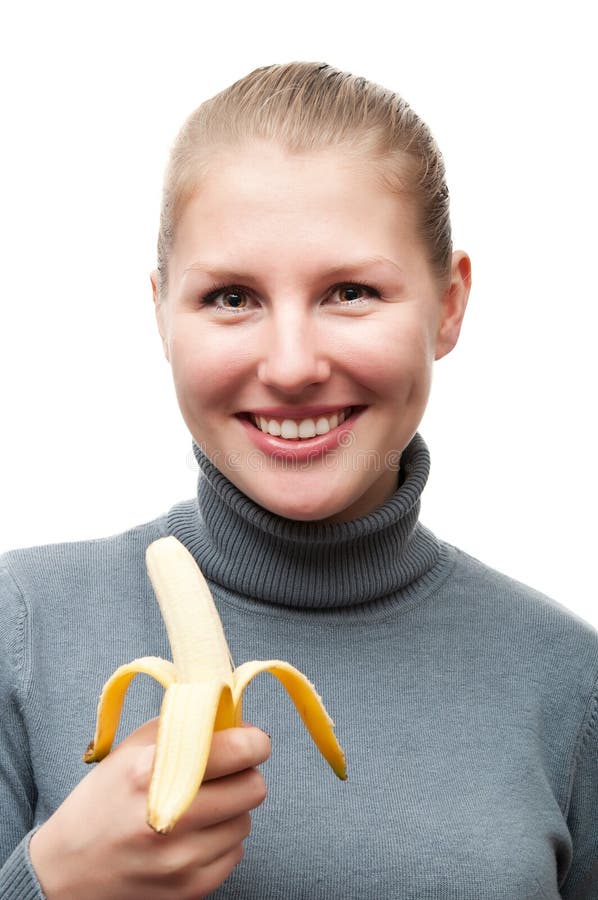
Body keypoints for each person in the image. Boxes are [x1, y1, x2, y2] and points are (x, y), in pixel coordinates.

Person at [1, 61, 596, 900]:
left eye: (350, 292)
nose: (290, 366)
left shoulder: (570, 682)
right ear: (162, 312)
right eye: (232, 297)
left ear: (449, 305)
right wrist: (51, 880)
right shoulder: (21, 628)